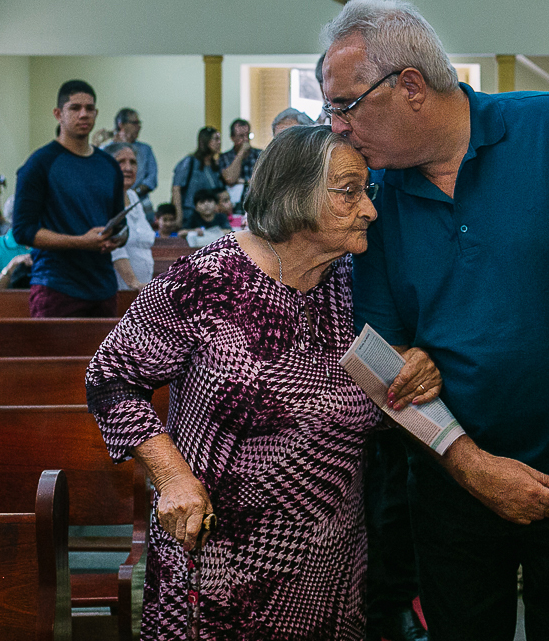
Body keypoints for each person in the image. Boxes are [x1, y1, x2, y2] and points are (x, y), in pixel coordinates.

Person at [324, 0, 549, 641]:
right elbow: (381, 356)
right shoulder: (375, 198)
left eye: (346, 105)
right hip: (452, 483)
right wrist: (468, 464)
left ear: (410, 86)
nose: (338, 128)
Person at [85, 126, 444, 640]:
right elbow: (111, 377)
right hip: (217, 561)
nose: (369, 209)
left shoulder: (356, 284)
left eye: (367, 191)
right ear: (295, 193)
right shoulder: (207, 280)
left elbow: (384, 394)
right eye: (349, 191)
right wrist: (171, 477)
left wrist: (418, 368)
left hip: (330, 569)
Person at [12, 79, 126, 318]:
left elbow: (120, 223)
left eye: (89, 108)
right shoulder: (39, 164)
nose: (84, 114)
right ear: (58, 114)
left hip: (104, 287)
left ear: (96, 113)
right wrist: (80, 242)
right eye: (75, 108)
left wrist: (117, 238)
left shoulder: (109, 165)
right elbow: (23, 231)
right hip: (56, 287)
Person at [108, 142, 156, 291]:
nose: (128, 168)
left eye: (133, 162)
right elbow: (115, 248)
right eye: (121, 162)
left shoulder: (133, 196)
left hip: (140, 290)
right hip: (119, 290)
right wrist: (133, 282)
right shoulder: (105, 198)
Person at [102, 107, 158, 221]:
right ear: (121, 124)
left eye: (132, 162)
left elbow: (152, 179)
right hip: (112, 203)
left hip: (142, 202)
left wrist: (132, 194)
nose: (139, 127)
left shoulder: (145, 150)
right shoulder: (106, 149)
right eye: (135, 123)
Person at [172, 126, 224, 228]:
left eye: (219, 139)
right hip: (190, 215)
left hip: (211, 217)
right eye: (216, 139)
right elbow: (176, 189)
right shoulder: (190, 162)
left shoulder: (215, 165)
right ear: (206, 141)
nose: (219, 143)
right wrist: (179, 215)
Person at [219, 118, 261, 188]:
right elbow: (230, 179)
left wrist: (242, 181)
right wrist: (241, 152)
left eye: (247, 135)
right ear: (232, 138)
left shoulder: (259, 154)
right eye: (241, 136)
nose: (246, 139)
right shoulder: (225, 157)